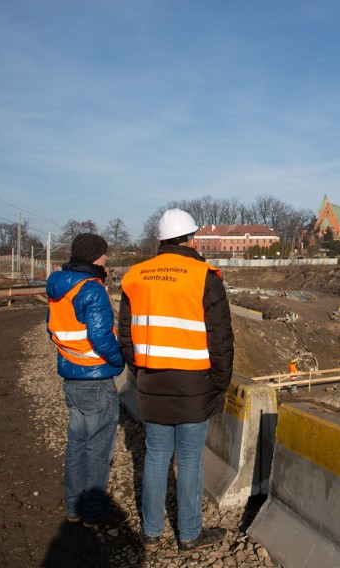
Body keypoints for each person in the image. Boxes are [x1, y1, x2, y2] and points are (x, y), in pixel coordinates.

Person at [118, 208, 233, 552]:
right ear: (192, 238)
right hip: (194, 383)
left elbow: (126, 334)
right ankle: (190, 534)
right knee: (189, 458)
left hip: (153, 380)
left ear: (161, 240)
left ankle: (151, 533)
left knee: (155, 456)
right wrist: (220, 382)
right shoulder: (203, 275)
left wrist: (140, 372)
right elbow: (220, 337)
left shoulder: (136, 276)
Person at [46, 233, 128, 527]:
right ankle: (94, 512)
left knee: (77, 443)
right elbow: (101, 338)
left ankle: (74, 507)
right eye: (104, 255)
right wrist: (118, 361)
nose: (107, 259)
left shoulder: (59, 286)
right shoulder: (92, 289)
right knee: (98, 447)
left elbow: (52, 328)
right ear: (95, 256)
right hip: (96, 378)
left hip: (72, 377)